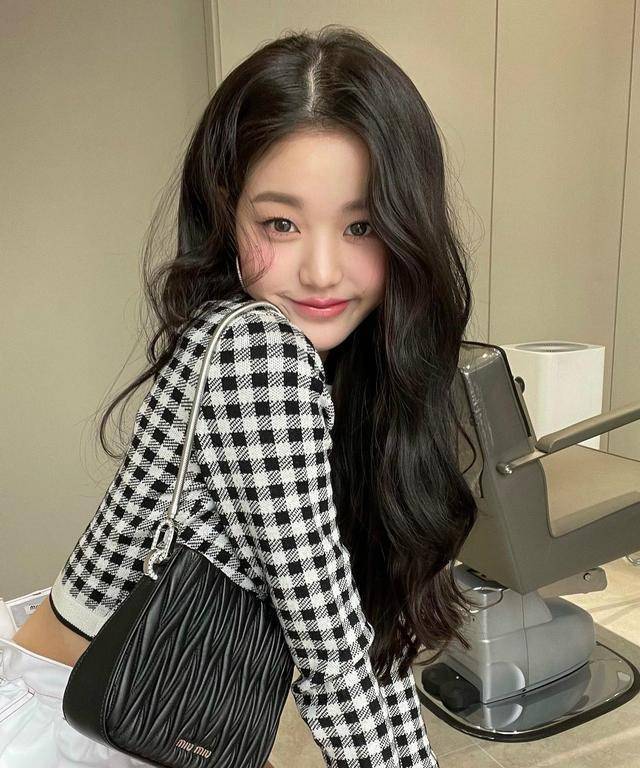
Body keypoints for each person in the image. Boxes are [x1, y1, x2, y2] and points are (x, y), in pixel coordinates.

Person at [0, 23, 479, 767]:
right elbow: (333, 660)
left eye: (361, 225)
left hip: (117, 709)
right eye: (281, 223)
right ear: (228, 213)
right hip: (68, 731)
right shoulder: (260, 351)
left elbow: (355, 645)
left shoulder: (320, 365)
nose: (321, 271)